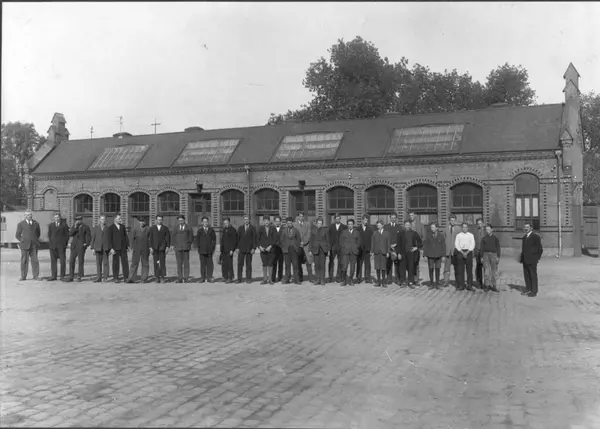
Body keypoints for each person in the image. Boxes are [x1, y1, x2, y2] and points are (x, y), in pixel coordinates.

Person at [15, 210, 41, 281]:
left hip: (34, 245)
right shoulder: (21, 224)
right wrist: (22, 240)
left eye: (30, 214)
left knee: (35, 261)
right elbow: (17, 235)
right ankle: (23, 276)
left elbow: (38, 233)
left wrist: (34, 240)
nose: (30, 216)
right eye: (28, 215)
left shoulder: (36, 223)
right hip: (24, 245)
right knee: (24, 261)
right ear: (25, 216)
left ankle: (36, 276)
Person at [520, 223, 543, 297]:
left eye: (527, 227)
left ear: (531, 228)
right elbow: (523, 249)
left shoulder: (535, 237)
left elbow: (540, 249)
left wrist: (537, 258)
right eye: (525, 227)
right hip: (525, 260)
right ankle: (528, 289)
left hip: (532, 259)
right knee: (526, 275)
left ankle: (534, 291)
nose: (526, 228)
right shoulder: (524, 237)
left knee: (533, 275)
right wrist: (522, 258)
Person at [66, 215, 91, 282]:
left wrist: (86, 244)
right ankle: (71, 276)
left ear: (81, 220)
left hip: (81, 246)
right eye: (77, 220)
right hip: (74, 246)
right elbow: (70, 234)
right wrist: (75, 227)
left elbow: (88, 236)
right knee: (71, 261)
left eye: (79, 219)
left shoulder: (86, 227)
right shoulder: (74, 226)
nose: (78, 221)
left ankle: (79, 276)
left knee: (80, 261)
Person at [399, 220, 422, 288]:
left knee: (411, 268)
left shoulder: (414, 233)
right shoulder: (401, 233)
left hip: (411, 253)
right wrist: (399, 253)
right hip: (403, 253)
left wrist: (416, 247)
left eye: (409, 225)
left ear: (411, 225)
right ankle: (403, 282)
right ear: (404, 225)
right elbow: (398, 244)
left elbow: (420, 242)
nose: (407, 226)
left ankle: (410, 282)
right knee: (402, 268)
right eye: (406, 225)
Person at [127, 216, 151, 283]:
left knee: (145, 264)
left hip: (145, 248)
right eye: (141, 221)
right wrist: (131, 247)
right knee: (134, 263)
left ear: (145, 222)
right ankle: (131, 278)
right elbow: (131, 238)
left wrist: (150, 247)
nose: (142, 222)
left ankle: (144, 279)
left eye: (143, 221)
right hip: (137, 248)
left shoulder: (148, 229)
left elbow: (150, 239)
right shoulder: (135, 229)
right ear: (139, 222)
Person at [148, 214, 171, 283]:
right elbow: (150, 238)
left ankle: (162, 277)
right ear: (156, 220)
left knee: (162, 263)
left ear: (162, 220)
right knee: (156, 263)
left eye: (160, 220)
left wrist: (167, 247)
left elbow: (168, 238)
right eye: (158, 219)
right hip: (155, 248)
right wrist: (150, 247)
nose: (159, 221)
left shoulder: (165, 228)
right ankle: (157, 277)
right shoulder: (152, 228)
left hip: (162, 248)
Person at [422, 222, 446, 288]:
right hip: (430, 255)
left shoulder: (441, 235)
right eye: (431, 227)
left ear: (437, 228)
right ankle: (431, 284)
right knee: (431, 269)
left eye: (433, 227)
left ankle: (437, 283)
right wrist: (424, 255)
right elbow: (425, 245)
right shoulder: (428, 235)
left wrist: (443, 255)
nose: (432, 228)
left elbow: (443, 246)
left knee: (438, 269)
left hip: (438, 255)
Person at [339, 219, 361, 286]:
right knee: (344, 266)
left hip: (353, 252)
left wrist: (356, 247)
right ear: (347, 225)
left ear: (353, 225)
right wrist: (344, 248)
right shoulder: (344, 232)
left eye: (351, 224)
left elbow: (359, 242)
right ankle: (344, 280)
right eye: (349, 224)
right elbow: (341, 241)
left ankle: (351, 280)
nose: (350, 225)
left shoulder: (357, 232)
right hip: (346, 252)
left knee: (352, 267)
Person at [90, 215, 112, 283]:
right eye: (102, 219)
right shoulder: (96, 228)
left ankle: (105, 277)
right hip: (98, 248)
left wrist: (110, 248)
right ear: (99, 220)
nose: (103, 221)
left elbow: (110, 239)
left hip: (105, 248)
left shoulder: (108, 228)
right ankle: (98, 277)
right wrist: (92, 248)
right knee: (98, 263)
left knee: (105, 263)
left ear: (106, 220)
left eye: (104, 219)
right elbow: (93, 238)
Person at [172, 214, 194, 283]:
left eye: (181, 220)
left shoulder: (188, 227)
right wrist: (175, 245)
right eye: (179, 220)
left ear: (184, 220)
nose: (180, 221)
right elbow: (173, 237)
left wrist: (188, 244)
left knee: (186, 264)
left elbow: (191, 237)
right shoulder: (175, 228)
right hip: (178, 248)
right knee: (179, 264)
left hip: (186, 248)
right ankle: (180, 278)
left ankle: (186, 278)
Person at [48, 213, 69, 281]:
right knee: (53, 261)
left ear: (60, 218)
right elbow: (49, 235)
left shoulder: (64, 225)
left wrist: (65, 244)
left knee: (62, 261)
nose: (56, 218)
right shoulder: (51, 225)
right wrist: (51, 244)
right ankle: (53, 276)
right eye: (55, 217)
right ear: (54, 218)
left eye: (58, 217)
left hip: (61, 246)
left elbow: (67, 235)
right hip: (53, 246)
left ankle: (62, 276)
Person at [454, 222, 475, 291]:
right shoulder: (458, 235)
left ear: (467, 228)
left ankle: (470, 285)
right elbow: (456, 244)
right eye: (463, 227)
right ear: (461, 228)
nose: (465, 228)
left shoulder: (471, 235)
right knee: (460, 270)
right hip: (460, 252)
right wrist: (462, 252)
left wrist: (467, 252)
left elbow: (472, 244)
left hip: (469, 252)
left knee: (469, 270)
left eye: (466, 227)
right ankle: (461, 285)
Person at [480, 223, 501, 292]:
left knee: (494, 271)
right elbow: (482, 248)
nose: (487, 231)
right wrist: (481, 256)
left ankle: (494, 285)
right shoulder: (484, 238)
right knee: (486, 271)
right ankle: (487, 285)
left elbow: (498, 247)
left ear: (492, 230)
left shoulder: (495, 238)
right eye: (486, 230)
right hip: (485, 255)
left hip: (493, 255)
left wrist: (498, 256)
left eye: (488, 229)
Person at [109, 214, 130, 283]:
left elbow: (125, 236)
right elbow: (109, 239)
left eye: (120, 218)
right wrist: (111, 248)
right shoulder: (111, 227)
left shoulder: (122, 227)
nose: (120, 220)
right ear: (115, 219)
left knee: (125, 263)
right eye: (119, 218)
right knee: (115, 263)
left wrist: (127, 245)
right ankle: (115, 277)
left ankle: (126, 277)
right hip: (115, 248)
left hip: (123, 247)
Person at [280, 216, 301, 284]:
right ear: (286, 223)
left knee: (295, 265)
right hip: (286, 250)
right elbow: (281, 240)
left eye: (291, 223)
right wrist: (283, 247)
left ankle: (296, 279)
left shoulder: (296, 230)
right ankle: (287, 279)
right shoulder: (284, 230)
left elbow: (298, 239)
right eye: (288, 223)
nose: (290, 224)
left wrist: (296, 247)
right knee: (287, 265)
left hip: (294, 250)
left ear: (292, 223)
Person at [236, 215, 257, 284]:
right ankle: (239, 278)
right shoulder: (240, 228)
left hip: (249, 249)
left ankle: (248, 278)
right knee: (240, 264)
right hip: (241, 249)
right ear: (243, 220)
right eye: (245, 219)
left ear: (249, 220)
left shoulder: (252, 228)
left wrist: (254, 248)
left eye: (247, 219)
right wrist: (237, 248)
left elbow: (254, 239)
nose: (246, 221)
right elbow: (237, 239)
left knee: (248, 265)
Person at [384, 213, 404, 285]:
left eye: (394, 217)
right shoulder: (386, 227)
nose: (393, 219)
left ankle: (397, 279)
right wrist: (389, 245)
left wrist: (396, 244)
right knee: (388, 264)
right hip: (388, 248)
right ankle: (389, 279)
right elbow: (384, 237)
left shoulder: (399, 227)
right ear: (390, 218)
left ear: (396, 218)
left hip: (396, 248)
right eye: (392, 217)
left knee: (397, 264)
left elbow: (401, 238)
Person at [309, 217, 330, 286]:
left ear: (322, 224)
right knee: (316, 265)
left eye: (320, 223)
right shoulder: (313, 230)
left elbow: (328, 241)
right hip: (315, 249)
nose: (319, 224)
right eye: (318, 223)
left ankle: (322, 280)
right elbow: (311, 241)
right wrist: (310, 250)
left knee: (322, 265)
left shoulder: (325, 230)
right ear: (316, 223)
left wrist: (328, 250)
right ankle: (318, 279)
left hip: (323, 250)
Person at [370, 220, 391, 288]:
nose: (378, 226)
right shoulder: (374, 233)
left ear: (383, 225)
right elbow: (372, 243)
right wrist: (372, 252)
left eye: (380, 225)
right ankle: (378, 282)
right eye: (377, 225)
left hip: (384, 252)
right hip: (377, 252)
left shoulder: (387, 233)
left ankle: (384, 282)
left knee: (383, 267)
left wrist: (388, 252)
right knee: (377, 267)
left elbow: (388, 243)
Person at [196, 216, 216, 283]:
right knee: (202, 265)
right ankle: (203, 278)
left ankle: (209, 277)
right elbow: (197, 241)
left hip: (209, 251)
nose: (205, 223)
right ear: (202, 223)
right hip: (202, 251)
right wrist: (199, 248)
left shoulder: (211, 230)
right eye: (204, 222)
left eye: (206, 222)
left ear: (208, 222)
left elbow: (214, 240)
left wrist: (212, 248)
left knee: (210, 265)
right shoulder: (199, 231)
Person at [257, 216, 277, 285]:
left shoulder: (273, 228)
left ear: (269, 221)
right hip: (263, 250)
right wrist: (259, 246)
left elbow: (275, 239)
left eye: (267, 220)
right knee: (264, 264)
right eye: (265, 221)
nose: (266, 222)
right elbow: (257, 239)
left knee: (270, 264)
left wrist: (270, 246)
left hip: (271, 250)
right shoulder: (260, 228)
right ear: (263, 222)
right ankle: (265, 279)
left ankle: (270, 279)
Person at [443, 215, 461, 287]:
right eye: (451, 220)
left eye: (454, 220)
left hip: (455, 251)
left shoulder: (458, 229)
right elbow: (444, 240)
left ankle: (457, 281)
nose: (452, 221)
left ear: (455, 221)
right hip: (447, 251)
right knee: (446, 268)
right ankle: (446, 281)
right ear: (449, 221)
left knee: (457, 267)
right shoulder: (445, 229)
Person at [295, 213, 314, 283]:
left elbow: (308, 234)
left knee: (309, 262)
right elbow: (294, 235)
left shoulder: (308, 224)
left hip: (306, 246)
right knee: (298, 263)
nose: (301, 217)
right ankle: (300, 277)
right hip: (298, 246)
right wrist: (299, 243)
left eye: (302, 216)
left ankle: (310, 278)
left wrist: (304, 242)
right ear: (298, 217)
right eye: (300, 216)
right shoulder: (295, 224)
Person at [328, 213, 346, 282]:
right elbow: (329, 237)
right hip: (333, 246)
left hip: (341, 247)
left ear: (340, 219)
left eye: (338, 219)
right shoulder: (331, 226)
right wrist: (329, 247)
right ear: (334, 219)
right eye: (336, 219)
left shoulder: (344, 227)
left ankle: (338, 277)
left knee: (340, 262)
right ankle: (330, 277)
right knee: (331, 262)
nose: (337, 220)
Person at [357, 214, 374, 283]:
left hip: (367, 249)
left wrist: (371, 250)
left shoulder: (370, 229)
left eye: (367, 220)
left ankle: (367, 278)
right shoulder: (357, 229)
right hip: (359, 249)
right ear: (362, 220)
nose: (366, 221)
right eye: (365, 220)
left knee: (367, 264)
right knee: (359, 264)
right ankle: (359, 278)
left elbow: (372, 240)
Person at [220, 218, 238, 283]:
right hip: (223, 250)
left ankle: (230, 277)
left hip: (229, 250)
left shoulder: (233, 230)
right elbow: (222, 240)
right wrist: (221, 249)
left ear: (229, 222)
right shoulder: (224, 230)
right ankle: (225, 277)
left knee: (229, 264)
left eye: (227, 223)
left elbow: (234, 240)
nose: (226, 224)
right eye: (224, 223)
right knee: (224, 264)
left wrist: (232, 250)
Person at [407, 212, 424, 282]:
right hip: (409, 247)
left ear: (415, 216)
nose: (411, 216)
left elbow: (423, 237)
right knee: (409, 264)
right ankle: (410, 279)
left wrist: (419, 247)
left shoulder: (421, 225)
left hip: (417, 248)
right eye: (410, 215)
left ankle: (416, 279)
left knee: (416, 263)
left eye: (412, 215)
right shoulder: (407, 225)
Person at [271, 216, 284, 283]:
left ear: (281, 222)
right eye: (276, 221)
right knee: (274, 264)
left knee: (281, 264)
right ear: (274, 222)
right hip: (274, 248)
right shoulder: (272, 228)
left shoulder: (283, 228)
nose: (277, 222)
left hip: (281, 249)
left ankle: (280, 277)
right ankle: (273, 278)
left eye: (279, 221)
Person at [473, 218, 485, 288]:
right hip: (477, 251)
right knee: (478, 267)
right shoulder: (475, 231)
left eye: (480, 223)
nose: (479, 225)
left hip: (484, 252)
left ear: (483, 224)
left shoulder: (486, 231)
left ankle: (486, 283)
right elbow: (473, 241)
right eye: (478, 224)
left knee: (485, 267)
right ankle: (479, 282)